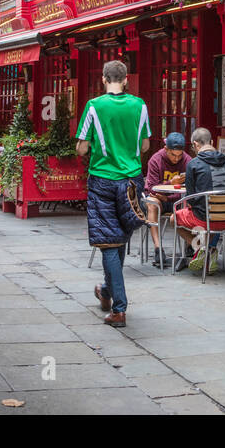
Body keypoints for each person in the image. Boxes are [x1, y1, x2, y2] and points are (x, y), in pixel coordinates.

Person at [77, 60, 148, 327]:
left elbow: (82, 149)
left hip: (103, 179)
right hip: (131, 180)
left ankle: (119, 309)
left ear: (104, 79)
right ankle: (106, 292)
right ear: (126, 79)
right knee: (119, 237)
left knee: (109, 242)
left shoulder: (95, 106)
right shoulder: (140, 105)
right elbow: (145, 145)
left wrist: (97, 145)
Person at [174, 127, 225, 274]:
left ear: (195, 144)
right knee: (212, 217)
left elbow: (190, 197)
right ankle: (209, 250)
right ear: (212, 142)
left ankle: (202, 248)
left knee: (174, 219)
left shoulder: (193, 164)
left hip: (205, 219)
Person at [141, 131, 191, 269]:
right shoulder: (155, 160)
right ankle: (158, 249)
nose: (176, 159)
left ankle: (189, 247)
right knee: (153, 205)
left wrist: (169, 196)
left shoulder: (188, 161)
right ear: (166, 149)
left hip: (178, 200)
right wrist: (170, 183)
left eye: (179, 155)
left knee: (191, 203)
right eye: (173, 155)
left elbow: (191, 188)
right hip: (159, 201)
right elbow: (151, 188)